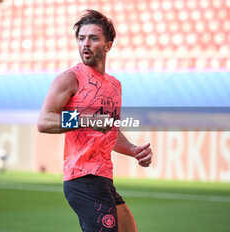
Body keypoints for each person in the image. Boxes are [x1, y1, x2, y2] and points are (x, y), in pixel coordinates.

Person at [37, 9, 153, 232]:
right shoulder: (70, 78)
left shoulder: (115, 85)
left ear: (108, 45)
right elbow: (44, 120)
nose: (85, 44)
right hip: (82, 177)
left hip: (103, 177)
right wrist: (87, 119)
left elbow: (110, 130)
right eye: (81, 38)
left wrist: (134, 150)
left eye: (93, 38)